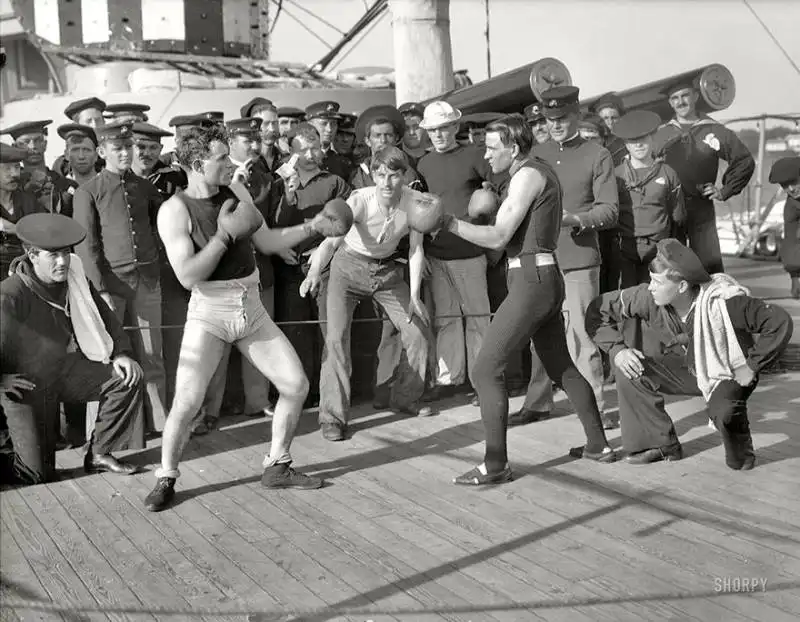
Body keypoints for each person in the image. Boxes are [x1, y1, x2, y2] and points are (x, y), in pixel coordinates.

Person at [144, 125, 348, 511]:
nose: (229, 164)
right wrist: (222, 237)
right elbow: (188, 275)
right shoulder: (174, 210)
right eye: (221, 158)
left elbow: (267, 242)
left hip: (250, 304)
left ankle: (278, 464)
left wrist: (313, 227)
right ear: (195, 163)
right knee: (187, 401)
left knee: (295, 384)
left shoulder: (234, 191)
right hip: (210, 309)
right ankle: (166, 476)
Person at [431, 115, 615, 485]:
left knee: (485, 369)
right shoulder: (529, 173)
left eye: (492, 148)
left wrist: (447, 222)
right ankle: (599, 446)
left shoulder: (527, 175)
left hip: (532, 278)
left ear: (513, 148)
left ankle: (495, 464)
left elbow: (498, 236)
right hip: (536, 276)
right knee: (561, 366)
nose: (486, 154)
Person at [585, 239, 793, 469]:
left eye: (657, 282)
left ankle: (741, 452)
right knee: (630, 368)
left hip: (729, 372)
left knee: (726, 416)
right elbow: (598, 310)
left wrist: (752, 366)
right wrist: (618, 351)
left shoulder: (725, 302)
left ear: (682, 286)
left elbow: (779, 321)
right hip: (689, 368)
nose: (651, 286)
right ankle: (661, 444)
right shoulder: (650, 297)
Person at [1, 213, 144, 485]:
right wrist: (1, 381)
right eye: (53, 255)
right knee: (35, 474)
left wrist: (122, 353)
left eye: (66, 253)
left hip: (64, 371)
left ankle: (100, 453)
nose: (63, 262)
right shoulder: (10, 295)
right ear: (32, 255)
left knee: (127, 379)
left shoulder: (75, 277)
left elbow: (106, 318)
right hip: (26, 386)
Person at [302, 145, 433, 441]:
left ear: (404, 175)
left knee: (418, 332)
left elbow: (415, 249)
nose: (387, 183)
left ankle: (404, 398)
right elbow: (331, 242)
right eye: (381, 174)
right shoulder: (360, 200)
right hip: (347, 269)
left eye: (394, 175)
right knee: (335, 340)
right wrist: (313, 272)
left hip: (386, 272)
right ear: (373, 174)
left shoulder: (415, 201)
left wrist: (413, 297)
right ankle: (332, 417)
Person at [512, 86, 619, 428]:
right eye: (548, 119)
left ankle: (595, 412)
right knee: (539, 334)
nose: (555, 124)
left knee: (581, 337)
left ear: (576, 116)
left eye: (562, 118)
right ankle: (538, 402)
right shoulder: (537, 155)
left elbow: (610, 210)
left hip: (579, 258)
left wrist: (577, 219)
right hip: (541, 257)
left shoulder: (597, 154)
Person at [72, 122, 168, 434]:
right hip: (111, 288)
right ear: (102, 152)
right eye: (119, 148)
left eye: (130, 147)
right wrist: (100, 290)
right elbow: (86, 247)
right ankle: (100, 434)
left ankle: (161, 423)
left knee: (153, 355)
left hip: (147, 281)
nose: (127, 153)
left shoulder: (143, 186)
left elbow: (163, 222)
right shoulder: (89, 192)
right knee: (108, 359)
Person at [417, 101, 494, 406]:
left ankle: (481, 380)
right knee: (445, 318)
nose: (438, 135)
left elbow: (498, 185)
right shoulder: (423, 164)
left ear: (455, 128)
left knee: (478, 318)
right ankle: (449, 379)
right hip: (437, 252)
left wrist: (489, 197)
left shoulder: (475, 155)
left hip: (471, 250)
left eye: (443, 128)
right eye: (432, 130)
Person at [271, 123, 351, 411]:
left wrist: (323, 250)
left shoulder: (334, 182)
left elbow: (346, 223)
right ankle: (300, 391)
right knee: (294, 332)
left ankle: (328, 394)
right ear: (289, 151)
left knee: (326, 330)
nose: (310, 154)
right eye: (302, 149)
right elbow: (267, 222)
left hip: (325, 265)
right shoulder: (277, 182)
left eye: (314, 147)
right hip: (287, 267)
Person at [651, 78, 754, 274]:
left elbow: (744, 160)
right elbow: (644, 165)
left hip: (701, 207)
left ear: (696, 96)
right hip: (669, 207)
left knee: (709, 263)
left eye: (685, 96)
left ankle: (711, 301)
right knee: (669, 263)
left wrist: (725, 190)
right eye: (674, 98)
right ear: (670, 103)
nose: (680, 102)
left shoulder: (715, 130)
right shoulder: (660, 133)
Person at [612, 110, 685, 287]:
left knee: (658, 298)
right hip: (625, 247)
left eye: (643, 138)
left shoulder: (668, 173)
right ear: (626, 144)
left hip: (658, 248)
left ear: (652, 139)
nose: (638, 145)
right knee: (629, 299)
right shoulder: (616, 175)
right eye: (632, 141)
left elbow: (678, 216)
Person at [0, 120, 75, 216]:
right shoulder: (10, 187)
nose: (33, 146)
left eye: (38, 140)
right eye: (25, 142)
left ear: (45, 144)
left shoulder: (65, 184)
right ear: (14, 147)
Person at [0, 145, 45, 280]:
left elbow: (43, 233)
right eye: (6, 169)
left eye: (17, 167)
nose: (14, 174)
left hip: (26, 276)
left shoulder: (28, 201)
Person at [768, 157, 800, 299]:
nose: (791, 189)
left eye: (793, 182)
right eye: (785, 185)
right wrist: (795, 277)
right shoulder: (792, 206)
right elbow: (791, 241)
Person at [305, 100, 354, 182]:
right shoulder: (299, 159)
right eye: (323, 124)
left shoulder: (344, 163)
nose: (329, 129)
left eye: (333, 124)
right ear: (310, 125)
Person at [57, 123, 99, 188]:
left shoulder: (110, 187)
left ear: (96, 155)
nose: (81, 156)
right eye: (75, 150)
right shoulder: (58, 191)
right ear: (66, 155)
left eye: (86, 150)